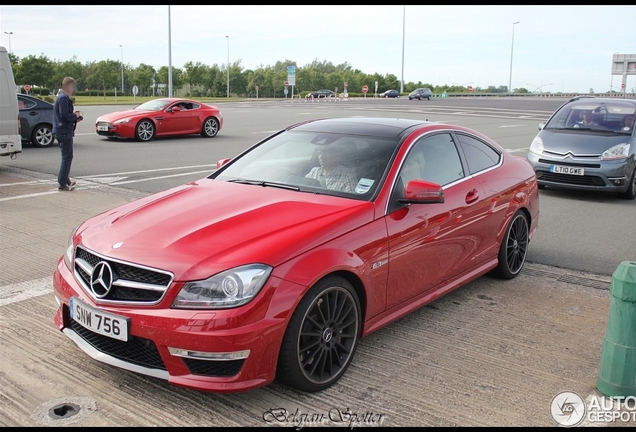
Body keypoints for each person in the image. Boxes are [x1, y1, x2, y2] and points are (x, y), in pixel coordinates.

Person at [53, 77, 82, 191]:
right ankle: (62, 182)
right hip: (64, 131)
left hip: (61, 129)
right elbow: (64, 114)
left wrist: (74, 119)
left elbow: (63, 116)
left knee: (66, 156)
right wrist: (74, 116)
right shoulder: (64, 98)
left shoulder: (61, 98)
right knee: (67, 157)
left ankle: (65, 179)